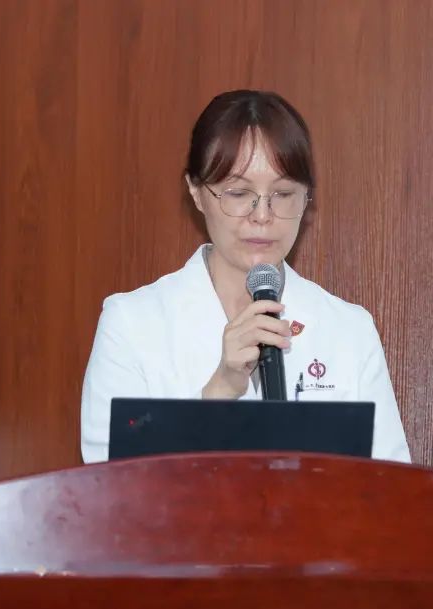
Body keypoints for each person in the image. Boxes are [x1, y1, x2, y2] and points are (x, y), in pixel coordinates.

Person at [80, 90, 411, 464]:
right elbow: (110, 486)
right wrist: (220, 391)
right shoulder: (131, 324)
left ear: (307, 199)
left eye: (283, 194)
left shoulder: (350, 329)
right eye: (239, 193)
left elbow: (391, 486)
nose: (262, 216)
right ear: (196, 192)